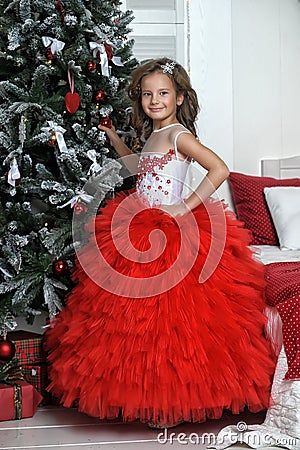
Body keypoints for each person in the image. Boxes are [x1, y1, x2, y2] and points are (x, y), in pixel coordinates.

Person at [45, 57, 275, 429]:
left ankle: (170, 400)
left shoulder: (178, 134)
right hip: (139, 225)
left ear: (180, 97)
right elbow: (139, 169)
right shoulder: (154, 134)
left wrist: (184, 207)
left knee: (171, 320)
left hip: (173, 232)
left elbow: (220, 169)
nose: (155, 100)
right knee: (132, 319)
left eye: (164, 93)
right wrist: (114, 138)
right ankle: (147, 398)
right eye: (148, 94)